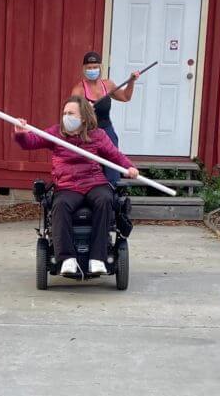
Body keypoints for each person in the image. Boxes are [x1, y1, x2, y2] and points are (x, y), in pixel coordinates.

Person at [13, 96, 140, 276]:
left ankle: (98, 258)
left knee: (105, 199)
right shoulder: (56, 133)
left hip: (93, 181)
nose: (66, 117)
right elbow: (31, 142)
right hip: (67, 184)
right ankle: (67, 259)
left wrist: (129, 167)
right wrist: (21, 133)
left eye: (70, 113)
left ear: (83, 117)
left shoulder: (97, 135)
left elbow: (115, 155)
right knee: (60, 205)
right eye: (64, 113)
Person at [71, 51, 140, 186]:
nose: (92, 70)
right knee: (90, 167)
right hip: (88, 133)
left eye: (95, 67)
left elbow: (126, 97)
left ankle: (113, 195)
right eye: (89, 68)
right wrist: (84, 110)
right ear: (84, 69)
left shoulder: (107, 85)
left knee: (112, 166)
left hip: (107, 131)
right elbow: (71, 114)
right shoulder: (79, 90)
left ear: (100, 68)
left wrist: (131, 81)